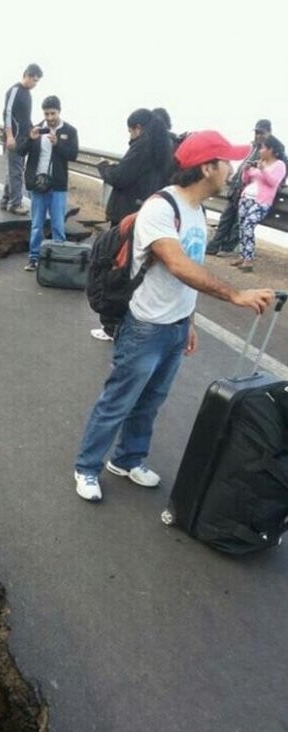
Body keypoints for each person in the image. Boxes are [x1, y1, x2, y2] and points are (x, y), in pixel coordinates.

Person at [73, 130, 274, 502]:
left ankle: (128, 458)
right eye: (226, 161)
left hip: (175, 326)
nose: (232, 168)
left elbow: (189, 274)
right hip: (145, 326)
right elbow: (179, 265)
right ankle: (86, 467)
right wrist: (236, 294)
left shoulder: (197, 212)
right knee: (118, 400)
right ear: (207, 167)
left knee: (151, 400)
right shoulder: (161, 208)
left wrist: (190, 321)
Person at [92, 107, 174, 341]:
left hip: (128, 216)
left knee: (117, 271)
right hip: (149, 215)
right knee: (139, 272)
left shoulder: (142, 146)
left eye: (130, 131)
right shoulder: (165, 148)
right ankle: (130, 323)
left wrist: (103, 167)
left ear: (138, 128)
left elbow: (120, 177)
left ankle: (111, 327)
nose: (129, 136)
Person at [16, 95, 79, 271]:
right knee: (37, 224)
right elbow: (20, 151)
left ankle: (58, 259)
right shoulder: (36, 128)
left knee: (58, 225)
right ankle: (34, 258)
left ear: (59, 111)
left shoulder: (70, 130)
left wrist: (58, 144)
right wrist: (30, 138)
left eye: (53, 113)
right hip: (38, 183)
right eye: (46, 114)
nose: (50, 118)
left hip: (58, 185)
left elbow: (73, 154)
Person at [205, 119, 272, 256]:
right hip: (237, 188)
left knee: (237, 223)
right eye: (257, 132)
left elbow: (279, 170)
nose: (258, 135)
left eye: (261, 133)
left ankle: (227, 248)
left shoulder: (272, 151)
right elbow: (242, 168)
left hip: (251, 194)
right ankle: (214, 246)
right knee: (225, 219)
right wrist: (233, 181)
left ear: (268, 133)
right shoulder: (252, 148)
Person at [231, 135, 286, 272]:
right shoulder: (260, 161)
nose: (260, 150)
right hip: (246, 198)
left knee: (248, 224)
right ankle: (243, 256)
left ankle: (249, 259)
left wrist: (262, 169)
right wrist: (246, 170)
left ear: (271, 150)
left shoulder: (279, 165)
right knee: (242, 226)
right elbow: (246, 180)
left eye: (263, 148)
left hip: (261, 201)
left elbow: (273, 182)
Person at [0, 63, 43, 215]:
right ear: (26, 75)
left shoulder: (27, 94)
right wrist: (10, 136)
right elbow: (7, 113)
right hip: (14, 138)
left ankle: (6, 200)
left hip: (24, 138)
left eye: (37, 81)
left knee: (14, 170)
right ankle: (15, 203)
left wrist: (32, 128)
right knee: (16, 172)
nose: (34, 83)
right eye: (33, 79)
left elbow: (25, 118)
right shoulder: (15, 90)